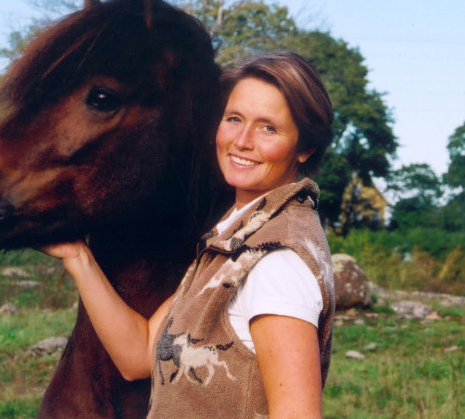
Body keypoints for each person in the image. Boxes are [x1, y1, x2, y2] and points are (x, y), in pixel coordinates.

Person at [39, 51, 335, 418]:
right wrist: (77, 256)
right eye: (234, 119)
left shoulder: (276, 262)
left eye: (268, 128)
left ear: (305, 147)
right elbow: (141, 354)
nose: (242, 140)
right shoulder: (236, 240)